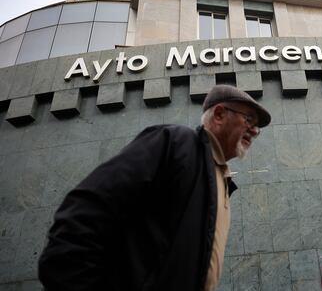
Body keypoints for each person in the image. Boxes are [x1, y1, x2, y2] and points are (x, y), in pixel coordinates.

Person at [38, 84, 271, 291]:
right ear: (219, 114)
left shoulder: (220, 176)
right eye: (249, 120)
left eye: (257, 127)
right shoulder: (176, 144)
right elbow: (84, 213)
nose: (254, 131)